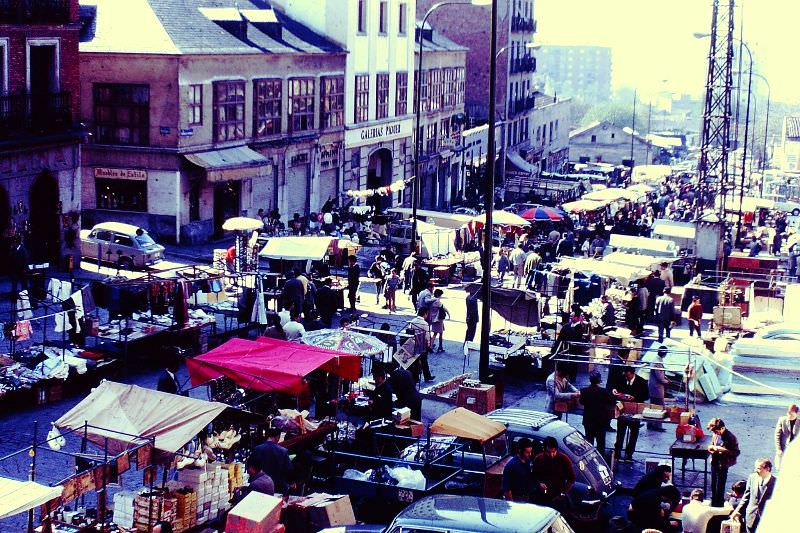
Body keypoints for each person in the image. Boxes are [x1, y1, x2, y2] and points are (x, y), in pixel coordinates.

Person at [613, 366, 649, 463]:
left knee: (634, 433)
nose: (626, 377)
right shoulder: (622, 379)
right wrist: (615, 391)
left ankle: (629, 453)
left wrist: (635, 397)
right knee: (620, 432)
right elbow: (615, 388)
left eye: (628, 375)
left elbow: (646, 396)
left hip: (635, 411)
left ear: (632, 373)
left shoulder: (641, 382)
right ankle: (617, 452)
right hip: (623, 409)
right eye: (625, 375)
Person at [531, 436, 576, 511]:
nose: (551, 455)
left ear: (556, 450)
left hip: (558, 497)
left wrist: (563, 494)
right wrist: (539, 484)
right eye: (548, 452)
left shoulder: (564, 459)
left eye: (553, 452)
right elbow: (533, 476)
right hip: (542, 497)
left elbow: (572, 478)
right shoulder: (538, 459)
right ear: (544, 449)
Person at [732, 458, 776, 532]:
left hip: (766, 519)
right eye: (755, 468)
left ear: (767, 469)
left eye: (758, 468)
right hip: (751, 518)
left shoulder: (776, 483)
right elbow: (746, 497)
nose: (755, 470)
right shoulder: (752, 478)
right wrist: (737, 511)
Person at [579, 370, 615, 457]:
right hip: (600, 422)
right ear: (599, 381)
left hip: (588, 420)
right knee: (601, 444)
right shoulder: (604, 391)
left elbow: (581, 402)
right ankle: (600, 459)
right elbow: (612, 401)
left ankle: (589, 458)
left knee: (589, 442)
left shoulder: (584, 391)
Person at [707, 417, 740, 507]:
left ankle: (719, 504)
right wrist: (711, 448)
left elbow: (736, 452)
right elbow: (712, 444)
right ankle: (713, 502)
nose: (715, 433)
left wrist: (724, 450)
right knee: (713, 485)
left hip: (723, 464)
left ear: (722, 428)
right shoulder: (715, 435)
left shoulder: (731, 437)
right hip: (714, 462)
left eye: (717, 432)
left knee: (720, 487)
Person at [252, 428, 294, 494]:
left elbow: (251, 467)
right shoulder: (283, 451)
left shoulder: (257, 449)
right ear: (277, 437)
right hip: (279, 487)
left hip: (261, 486)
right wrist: (291, 482)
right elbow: (288, 469)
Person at [502, 437, 533, 502]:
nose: (530, 454)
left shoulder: (527, 461)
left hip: (526, 498)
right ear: (520, 450)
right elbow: (507, 489)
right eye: (527, 452)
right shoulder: (511, 465)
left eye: (530, 452)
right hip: (516, 499)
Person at [647, 346, 670, 432]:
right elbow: (659, 377)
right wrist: (666, 381)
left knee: (652, 406)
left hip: (653, 386)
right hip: (656, 387)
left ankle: (650, 424)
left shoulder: (656, 359)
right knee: (659, 407)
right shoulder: (657, 362)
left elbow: (660, 373)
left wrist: (665, 377)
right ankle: (657, 426)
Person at [409, 307, 434, 382]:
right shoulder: (425, 323)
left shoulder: (413, 321)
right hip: (422, 344)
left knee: (415, 361)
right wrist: (429, 345)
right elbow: (427, 336)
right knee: (424, 361)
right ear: (425, 313)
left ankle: (416, 378)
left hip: (413, 342)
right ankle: (427, 376)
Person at [774, 403, 799, 470]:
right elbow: (777, 436)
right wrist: (778, 449)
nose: (789, 415)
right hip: (783, 448)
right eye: (788, 413)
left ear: (796, 413)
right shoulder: (782, 420)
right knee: (780, 468)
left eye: (792, 413)